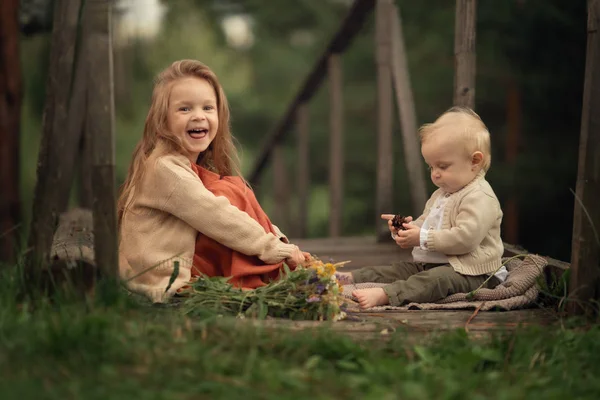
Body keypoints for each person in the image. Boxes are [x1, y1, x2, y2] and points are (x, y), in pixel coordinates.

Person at [118, 59, 308, 303]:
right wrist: (275, 249)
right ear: (162, 120)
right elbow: (215, 214)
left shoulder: (182, 164)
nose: (198, 116)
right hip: (164, 282)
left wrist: (281, 243)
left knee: (233, 189)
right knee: (227, 196)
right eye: (184, 109)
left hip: (176, 271)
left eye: (208, 108)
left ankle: (289, 269)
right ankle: (283, 274)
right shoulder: (165, 169)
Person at [337, 106, 507, 310]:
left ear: (474, 161)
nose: (435, 174)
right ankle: (347, 278)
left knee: (435, 281)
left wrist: (422, 238)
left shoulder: (480, 196)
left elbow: (466, 238)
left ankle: (386, 295)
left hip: (473, 272)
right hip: (436, 263)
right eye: (431, 167)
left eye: (442, 166)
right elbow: (426, 223)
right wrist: (405, 229)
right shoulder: (442, 193)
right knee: (396, 270)